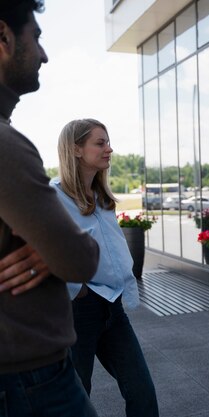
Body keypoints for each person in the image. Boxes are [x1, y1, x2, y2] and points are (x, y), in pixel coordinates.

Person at [0, 1, 101, 416]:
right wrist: (59, 251)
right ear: (3, 37)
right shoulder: (6, 147)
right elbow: (80, 260)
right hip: (30, 382)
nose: (44, 54)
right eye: (36, 38)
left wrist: (55, 251)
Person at [49, 118, 159, 417]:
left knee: (142, 393)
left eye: (108, 142)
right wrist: (77, 290)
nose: (109, 149)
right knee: (76, 398)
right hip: (78, 311)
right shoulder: (53, 197)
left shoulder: (100, 197)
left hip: (113, 306)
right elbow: (42, 253)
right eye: (100, 143)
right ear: (76, 149)